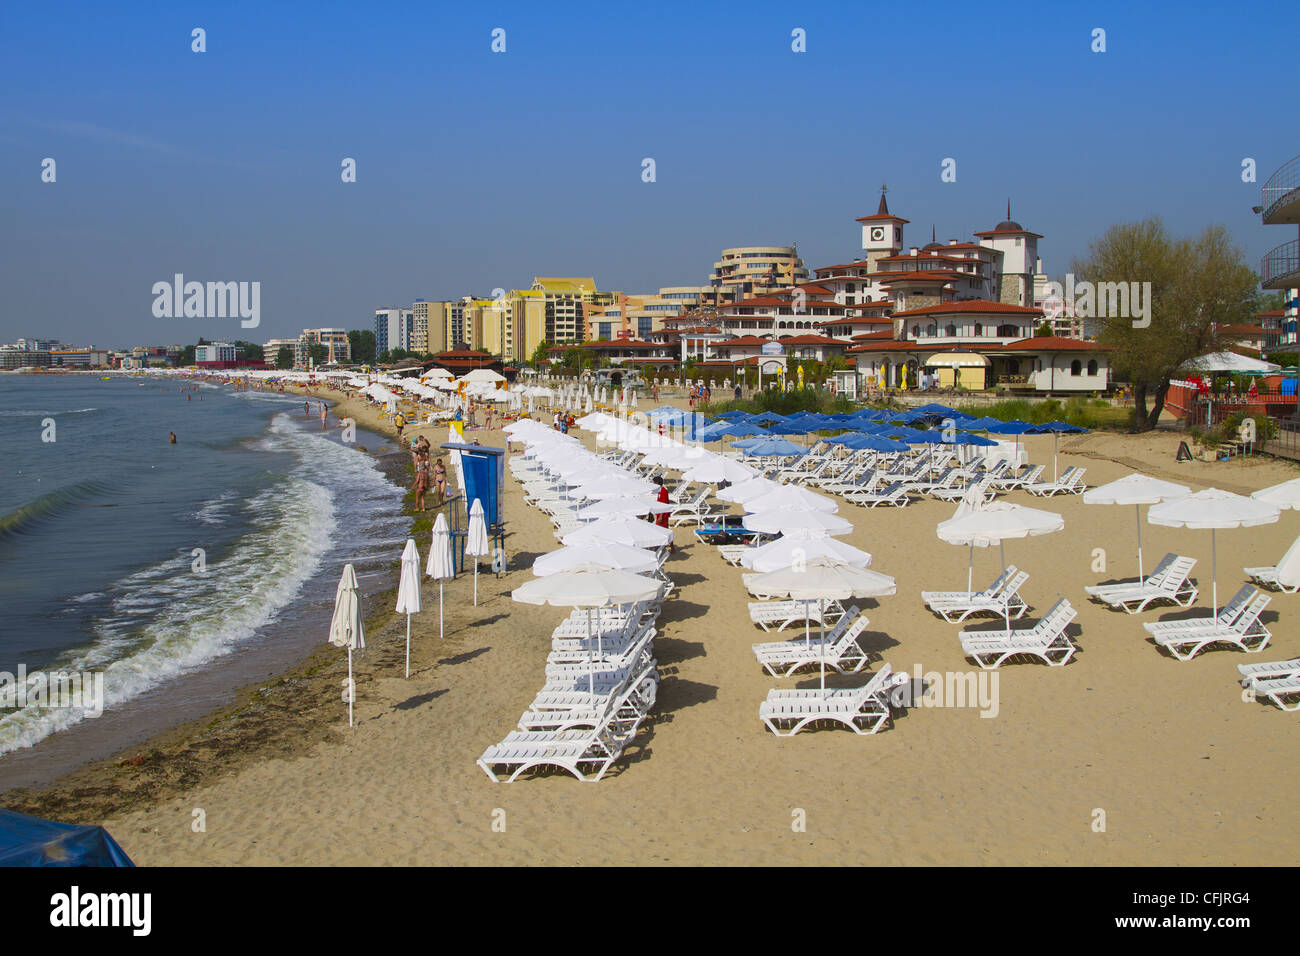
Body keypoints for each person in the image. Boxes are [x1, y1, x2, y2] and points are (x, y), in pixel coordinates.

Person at [653, 476, 674, 553]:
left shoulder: (663, 491)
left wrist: (661, 516)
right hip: (660, 515)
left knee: (660, 532)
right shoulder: (660, 491)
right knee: (665, 531)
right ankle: (672, 548)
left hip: (663, 516)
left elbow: (664, 504)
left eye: (654, 482)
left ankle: (656, 549)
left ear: (657, 483)